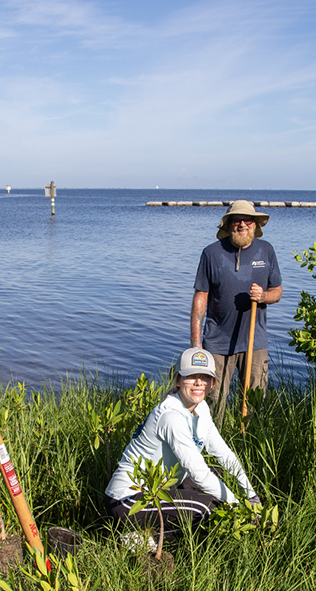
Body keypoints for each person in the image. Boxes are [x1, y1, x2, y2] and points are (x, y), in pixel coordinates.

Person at [105, 348, 260, 535]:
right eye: (191, 376)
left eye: (205, 377)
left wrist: (251, 495)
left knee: (218, 475)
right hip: (128, 500)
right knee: (206, 507)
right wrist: (237, 507)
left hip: (161, 487)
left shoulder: (201, 408)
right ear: (178, 380)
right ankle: (144, 539)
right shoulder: (171, 416)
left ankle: (157, 531)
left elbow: (224, 454)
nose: (198, 382)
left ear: (212, 382)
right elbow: (199, 473)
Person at [192, 200, 283, 417]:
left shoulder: (266, 250)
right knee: (213, 403)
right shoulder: (211, 253)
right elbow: (200, 297)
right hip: (217, 343)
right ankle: (210, 448)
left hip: (255, 341)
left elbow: (277, 291)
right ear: (228, 224)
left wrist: (263, 297)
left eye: (247, 220)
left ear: (255, 224)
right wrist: (196, 343)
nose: (242, 224)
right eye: (236, 220)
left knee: (254, 402)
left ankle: (249, 445)